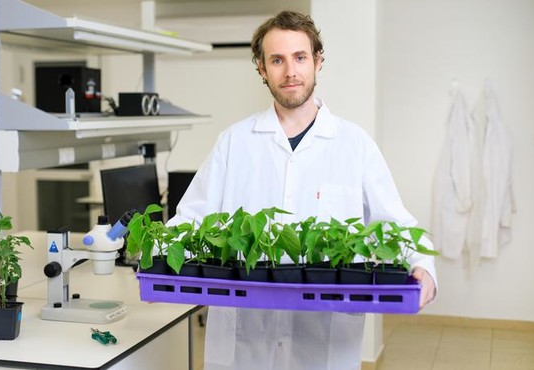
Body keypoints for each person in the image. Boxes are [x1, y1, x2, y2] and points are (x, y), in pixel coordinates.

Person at [167, 10, 437, 370]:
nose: (290, 71)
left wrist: (423, 266)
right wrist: (149, 256)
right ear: (262, 69)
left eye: (300, 57)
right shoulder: (234, 143)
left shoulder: (354, 144)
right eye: (277, 60)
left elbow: (394, 222)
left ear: (317, 62)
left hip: (322, 344)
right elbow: (189, 219)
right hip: (244, 348)